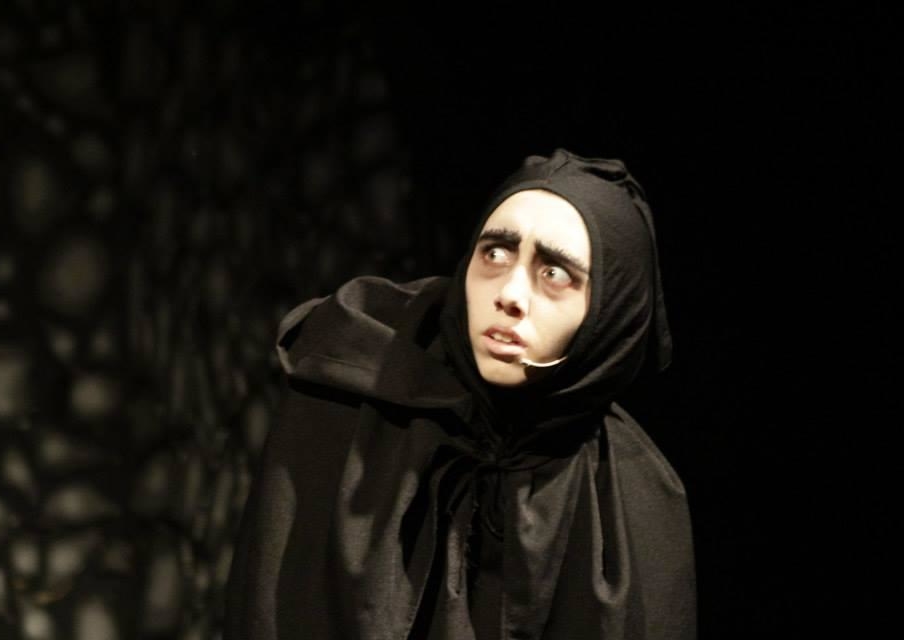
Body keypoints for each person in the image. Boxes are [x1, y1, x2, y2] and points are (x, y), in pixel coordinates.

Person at [226, 149, 696, 640]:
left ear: (610, 314)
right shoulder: (347, 400)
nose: (509, 294)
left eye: (555, 273)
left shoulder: (637, 503)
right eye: (495, 253)